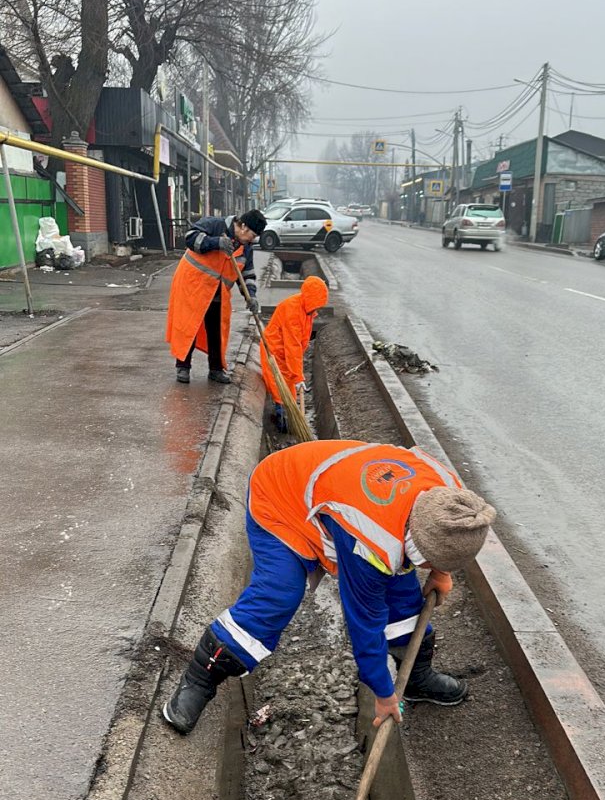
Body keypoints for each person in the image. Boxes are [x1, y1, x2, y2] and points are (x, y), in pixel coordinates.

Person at [162, 440, 496, 736]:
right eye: (428, 559)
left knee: (404, 597)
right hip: (282, 497)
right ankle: (199, 681)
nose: (425, 565)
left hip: (334, 493)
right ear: (415, 537)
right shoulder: (372, 540)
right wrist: (382, 693)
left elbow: (444, 540)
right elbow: (364, 623)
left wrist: (441, 572)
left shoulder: (453, 500)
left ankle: (417, 677)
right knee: (278, 595)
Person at [165, 209, 266, 384]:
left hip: (217, 292)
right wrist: (216, 242)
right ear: (242, 226)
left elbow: (247, 275)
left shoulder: (246, 248)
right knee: (189, 326)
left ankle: (216, 369)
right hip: (192, 286)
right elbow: (190, 238)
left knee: (216, 330)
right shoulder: (214, 225)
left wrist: (252, 296)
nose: (253, 239)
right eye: (252, 234)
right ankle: (183, 367)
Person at [260, 275, 329, 431]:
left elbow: (297, 345)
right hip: (275, 352)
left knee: (289, 389)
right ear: (311, 299)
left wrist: (297, 375)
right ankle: (281, 421)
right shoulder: (293, 310)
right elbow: (292, 346)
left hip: (285, 353)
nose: (317, 309)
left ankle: (288, 419)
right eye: (317, 305)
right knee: (281, 390)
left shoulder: (306, 309)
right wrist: (298, 376)